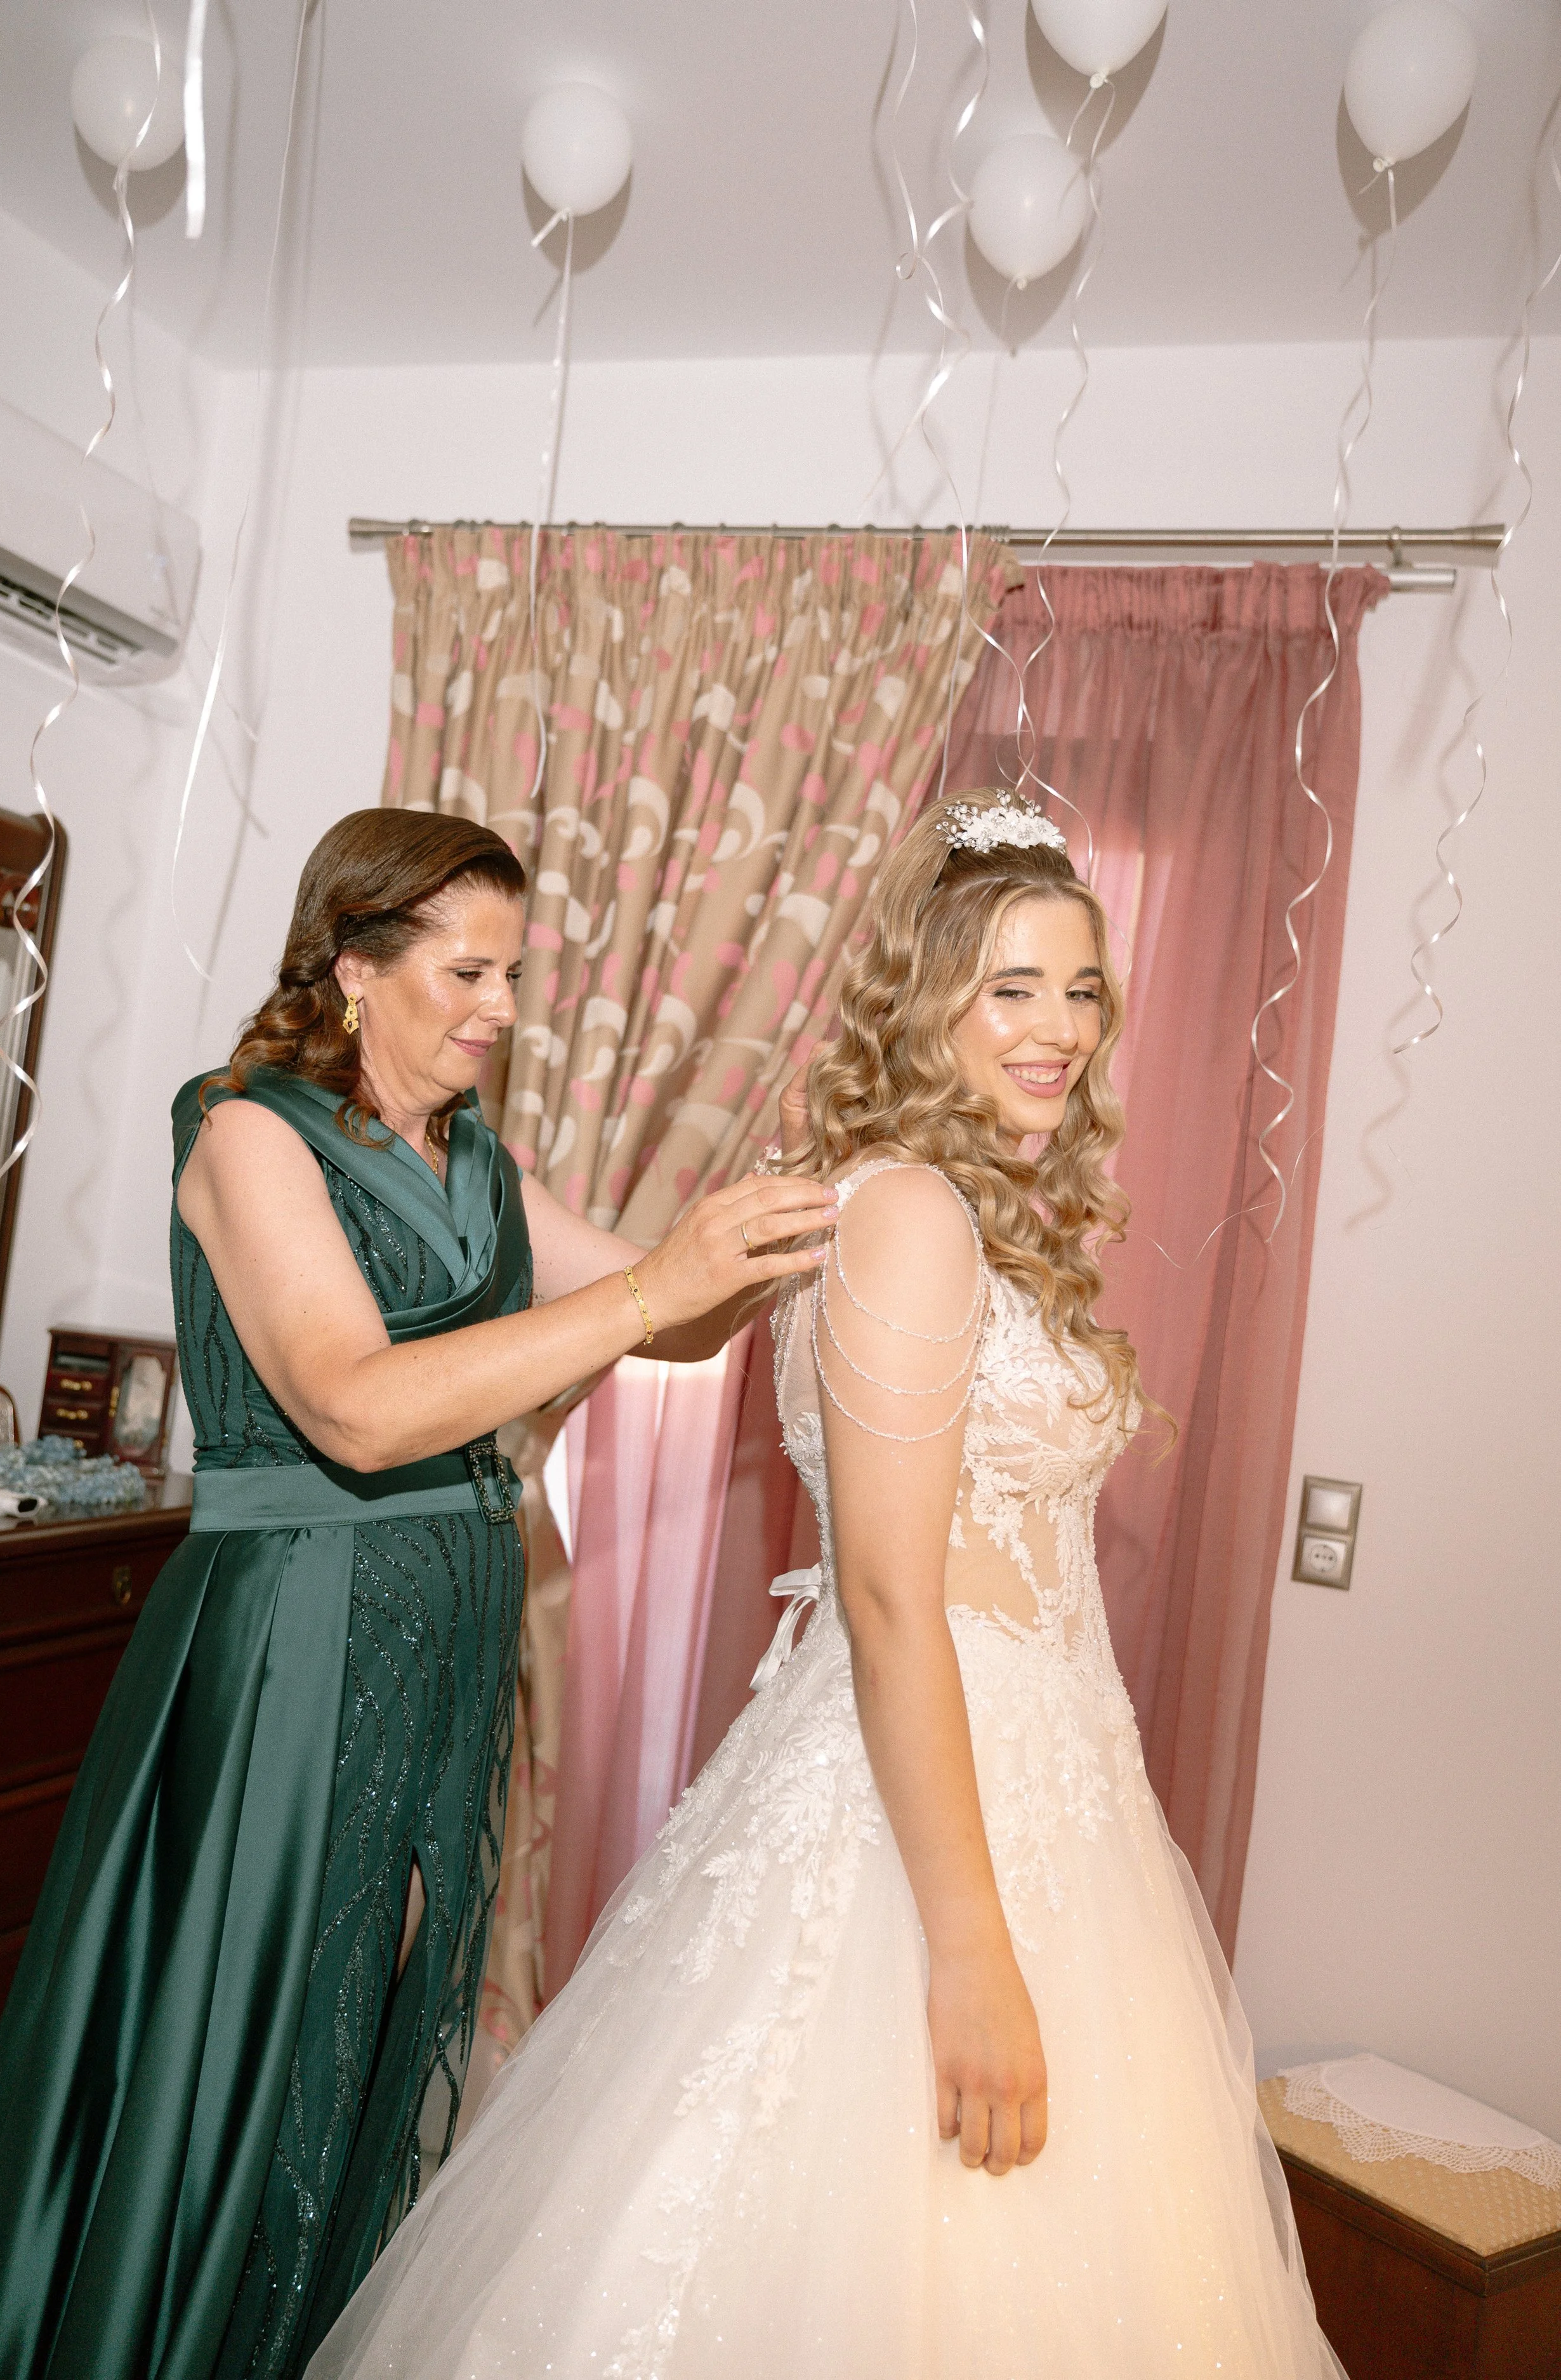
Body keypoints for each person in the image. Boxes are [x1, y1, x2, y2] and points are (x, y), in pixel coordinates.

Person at [301, 790, 1347, 2380]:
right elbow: (882, 1598)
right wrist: (971, 1954)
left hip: (1046, 1776)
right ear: (927, 999)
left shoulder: (962, 1211)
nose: (1056, 1028)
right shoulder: (909, 1213)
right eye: (1009, 987)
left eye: (1078, 989)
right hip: (930, 1808)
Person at [0, 809, 834, 2380]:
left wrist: (784, 1237)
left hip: (443, 1628)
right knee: (249, 2021)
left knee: (358, 2033)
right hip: (300, 1629)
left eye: (512, 972)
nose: (503, 1007)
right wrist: (656, 1281)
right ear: (356, 967)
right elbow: (354, 1406)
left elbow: (670, 1329)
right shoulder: (245, 1132)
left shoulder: (481, 1167)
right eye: (470, 969)